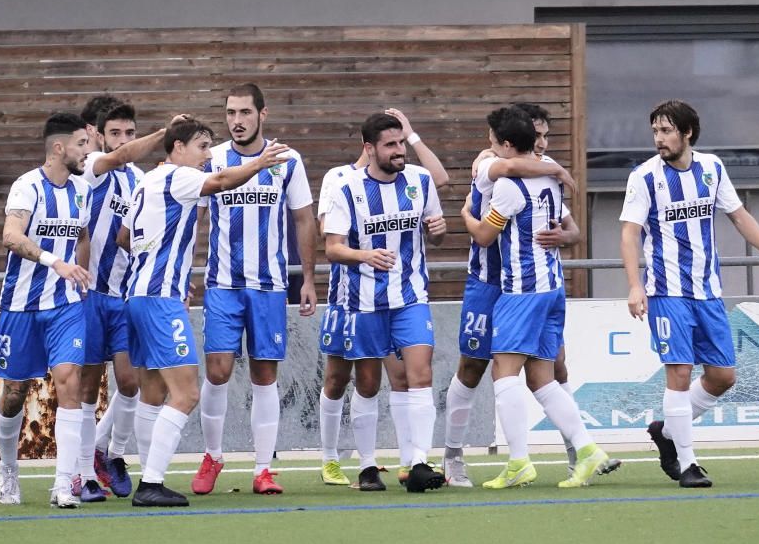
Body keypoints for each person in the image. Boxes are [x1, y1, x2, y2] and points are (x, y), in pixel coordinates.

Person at [620, 99, 759, 488]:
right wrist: (634, 285)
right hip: (666, 291)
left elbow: (738, 214)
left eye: (666, 131)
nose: (659, 139)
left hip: (707, 290)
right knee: (678, 372)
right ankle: (687, 462)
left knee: (722, 376)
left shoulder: (712, 168)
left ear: (687, 133)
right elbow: (629, 232)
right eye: (655, 132)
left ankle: (666, 434)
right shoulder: (644, 177)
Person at [120, 118, 290, 507]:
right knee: (187, 393)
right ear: (177, 147)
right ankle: (151, 482)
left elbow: (124, 238)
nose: (208, 155)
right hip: (161, 300)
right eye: (201, 146)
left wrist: (165, 266)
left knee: (152, 393)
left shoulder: (146, 182)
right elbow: (221, 183)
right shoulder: (178, 177)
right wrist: (260, 164)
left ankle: (148, 472)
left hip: (139, 295)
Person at [462, 107, 619, 489]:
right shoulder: (548, 174)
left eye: (494, 141)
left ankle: (519, 462)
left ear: (508, 144)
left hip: (523, 289)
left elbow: (484, 235)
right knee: (542, 378)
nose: (490, 146)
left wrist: (466, 213)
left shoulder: (509, 186)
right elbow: (567, 224)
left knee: (503, 372)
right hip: (552, 285)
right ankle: (587, 451)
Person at [191, 83, 317, 497]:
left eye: (245, 112)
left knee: (265, 375)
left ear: (263, 114)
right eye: (230, 113)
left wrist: (310, 280)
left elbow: (302, 219)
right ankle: (213, 455)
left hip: (269, 286)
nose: (237, 120)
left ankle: (263, 468)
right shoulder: (214, 160)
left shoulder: (288, 160)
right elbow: (192, 217)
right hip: (223, 284)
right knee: (218, 371)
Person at [316, 109, 449, 489]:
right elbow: (333, 248)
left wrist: (437, 230)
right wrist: (365, 255)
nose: (398, 151)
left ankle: (419, 462)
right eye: (390, 145)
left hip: (410, 296)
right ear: (369, 149)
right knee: (367, 383)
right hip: (363, 301)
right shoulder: (347, 188)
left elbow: (434, 233)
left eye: (401, 143)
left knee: (420, 373)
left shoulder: (419, 181)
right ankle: (367, 465)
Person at [75, 104, 184, 501]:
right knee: (88, 385)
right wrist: (166, 132)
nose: (123, 140)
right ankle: (85, 473)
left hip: (124, 293)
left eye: (129, 132)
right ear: (98, 134)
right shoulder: (91, 165)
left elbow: (131, 236)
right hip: (88, 294)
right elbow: (120, 156)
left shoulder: (139, 180)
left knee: (130, 380)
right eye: (116, 132)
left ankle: (112, 453)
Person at [0, 112, 93, 508]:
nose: (88, 151)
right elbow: (10, 235)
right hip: (21, 306)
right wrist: (55, 262)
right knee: (15, 393)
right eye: (82, 144)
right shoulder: (27, 186)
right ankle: (8, 469)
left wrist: (78, 274)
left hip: (66, 305)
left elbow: (82, 234)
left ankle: (63, 485)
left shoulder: (82, 190)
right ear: (59, 147)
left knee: (69, 381)